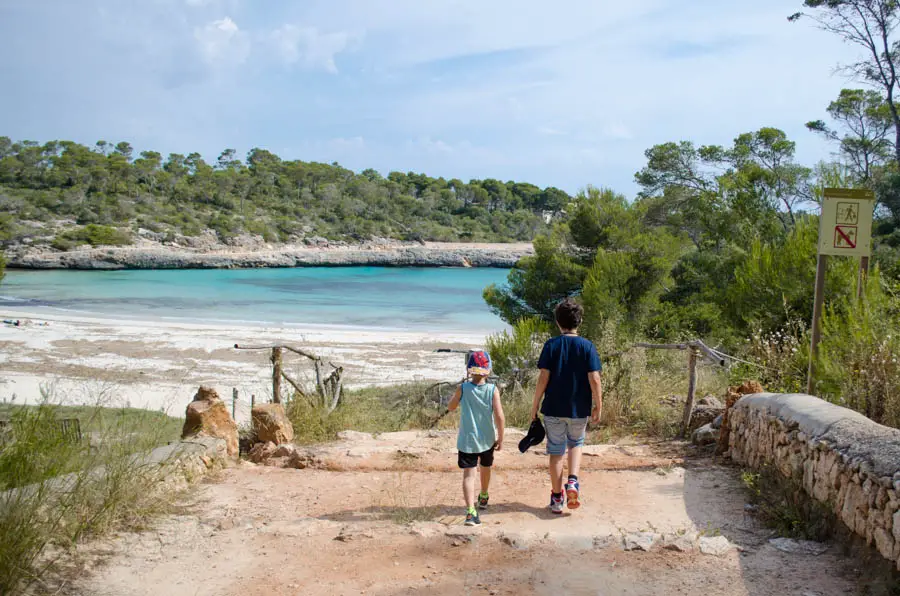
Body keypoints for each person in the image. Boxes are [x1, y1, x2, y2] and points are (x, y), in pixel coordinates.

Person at [530, 299, 603, 514]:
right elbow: (595, 378)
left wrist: (534, 406)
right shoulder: (587, 346)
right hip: (579, 409)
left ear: (557, 322)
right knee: (576, 444)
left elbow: (543, 377)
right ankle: (572, 482)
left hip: (552, 408)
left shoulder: (551, 345)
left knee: (555, 451)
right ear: (579, 321)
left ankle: (556, 498)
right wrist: (599, 405)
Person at [448, 350, 505, 527]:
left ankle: (471, 512)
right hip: (487, 439)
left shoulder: (463, 388)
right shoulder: (492, 390)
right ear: (488, 370)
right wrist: (501, 437)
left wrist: (457, 397)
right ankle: (484, 495)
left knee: (469, 475)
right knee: (486, 467)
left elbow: (451, 407)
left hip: (467, 440)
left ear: (469, 369)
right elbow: (499, 416)